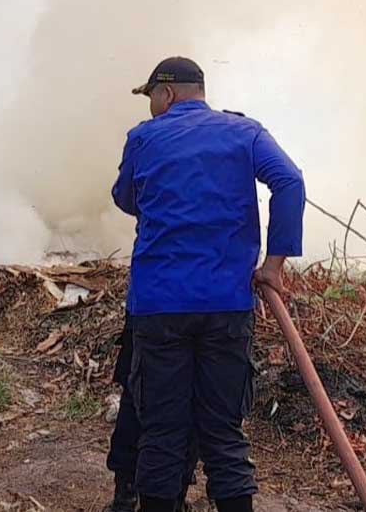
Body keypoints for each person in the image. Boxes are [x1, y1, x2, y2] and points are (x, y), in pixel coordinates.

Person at [110, 57, 305, 512]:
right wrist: (273, 265)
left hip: (158, 308)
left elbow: (125, 199)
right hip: (226, 305)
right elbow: (290, 182)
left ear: (168, 93)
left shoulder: (143, 139)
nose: (151, 108)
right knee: (223, 431)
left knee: (161, 432)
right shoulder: (246, 132)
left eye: (152, 98)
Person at [104, 318, 197, 512]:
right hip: (198, 313)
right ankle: (130, 493)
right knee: (183, 401)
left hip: (153, 312)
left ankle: (130, 493)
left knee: (143, 396)